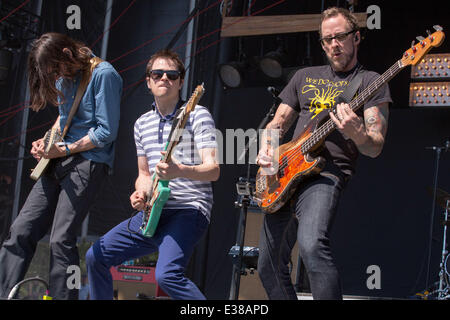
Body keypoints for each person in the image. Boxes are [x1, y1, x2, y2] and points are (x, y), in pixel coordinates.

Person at [256, 7, 392, 300]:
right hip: (286, 170)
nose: (334, 44)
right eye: (327, 39)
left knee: (311, 245)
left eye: (340, 37)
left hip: (325, 174)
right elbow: (278, 123)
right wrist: (268, 149)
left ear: (356, 38)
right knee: (266, 264)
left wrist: (356, 132)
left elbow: (375, 146)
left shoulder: (370, 82)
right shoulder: (304, 76)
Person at [85, 49, 219, 300]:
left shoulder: (197, 114)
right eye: (157, 74)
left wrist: (180, 170)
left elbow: (213, 170)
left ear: (181, 82)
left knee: (166, 275)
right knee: (95, 256)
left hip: (188, 209)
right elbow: (144, 173)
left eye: (172, 74)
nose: (164, 78)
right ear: (148, 81)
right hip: (152, 212)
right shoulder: (141, 123)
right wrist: (141, 192)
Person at [0, 33, 123, 300]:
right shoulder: (64, 76)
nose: (57, 76)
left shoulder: (104, 74)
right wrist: (46, 141)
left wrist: (66, 148)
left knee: (61, 239)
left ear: (67, 53)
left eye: (57, 69)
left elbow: (106, 132)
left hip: (89, 162)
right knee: (21, 229)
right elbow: (65, 117)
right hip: (59, 158)